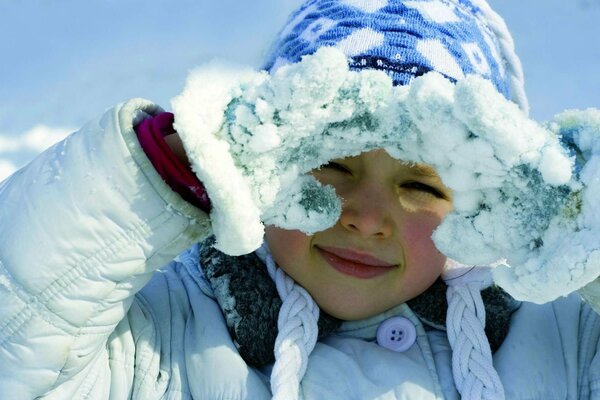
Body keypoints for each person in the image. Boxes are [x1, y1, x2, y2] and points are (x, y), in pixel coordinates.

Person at [2, 0, 600, 399]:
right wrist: (163, 171)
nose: (366, 220)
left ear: (480, 204)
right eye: (333, 165)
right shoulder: (171, 327)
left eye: (419, 185)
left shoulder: (561, 342)